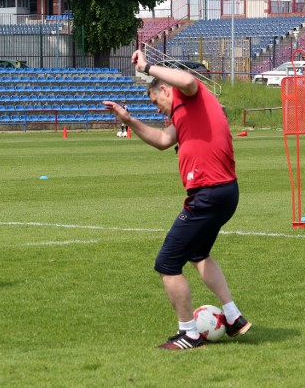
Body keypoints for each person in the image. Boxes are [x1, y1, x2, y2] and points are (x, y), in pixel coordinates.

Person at [103, 50, 251, 350]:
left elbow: (187, 79)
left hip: (208, 193)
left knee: (168, 263)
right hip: (224, 192)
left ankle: (189, 334)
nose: (158, 111)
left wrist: (147, 67)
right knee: (198, 255)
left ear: (165, 90)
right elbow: (162, 141)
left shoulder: (190, 96)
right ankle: (233, 317)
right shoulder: (184, 114)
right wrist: (128, 119)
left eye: (156, 102)